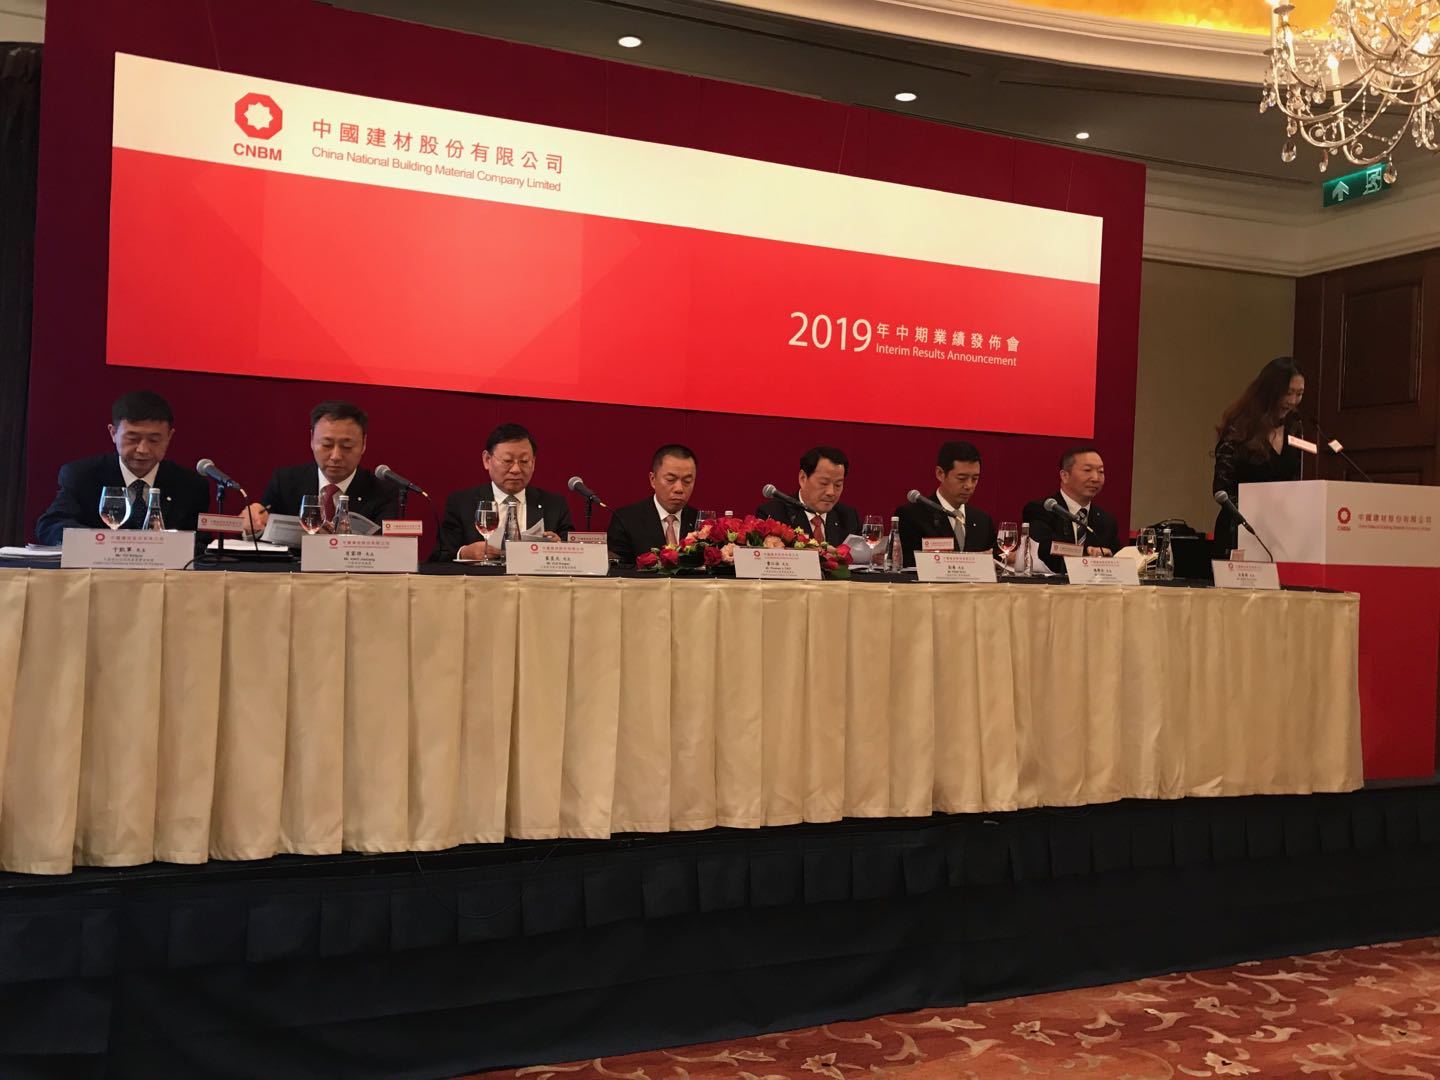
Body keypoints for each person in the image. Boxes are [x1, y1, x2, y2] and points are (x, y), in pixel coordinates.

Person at [35, 390, 211, 543]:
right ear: (113, 433)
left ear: (169, 437)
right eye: (132, 439)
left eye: (154, 440)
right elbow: (51, 525)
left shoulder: (190, 485)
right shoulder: (83, 475)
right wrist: (100, 542)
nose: (142, 449)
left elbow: (201, 541)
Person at [241, 400, 401, 536]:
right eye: (327, 445)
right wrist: (253, 524)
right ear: (312, 439)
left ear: (363, 444)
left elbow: (386, 548)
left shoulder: (383, 493)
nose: (336, 456)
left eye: (346, 446)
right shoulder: (285, 482)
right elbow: (261, 535)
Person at [434, 422, 573, 561]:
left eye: (524, 461)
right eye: (507, 461)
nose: (516, 469)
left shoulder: (554, 505)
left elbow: (575, 555)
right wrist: (464, 553)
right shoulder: (462, 503)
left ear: (533, 463)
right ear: (487, 460)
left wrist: (559, 547)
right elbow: (440, 555)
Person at [1212, 356, 1305, 556]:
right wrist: (1259, 511)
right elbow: (1221, 489)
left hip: (1282, 534)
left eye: (1299, 394)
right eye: (1288, 393)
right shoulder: (1239, 428)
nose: (1293, 401)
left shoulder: (1296, 428)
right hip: (1241, 531)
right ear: (1269, 391)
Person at [895, 440, 998, 566]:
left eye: (975, 479)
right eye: (962, 478)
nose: (969, 486)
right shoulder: (912, 516)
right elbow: (907, 565)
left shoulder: (983, 520)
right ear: (940, 474)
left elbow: (995, 561)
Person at [1023, 446, 1122, 573]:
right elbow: (1047, 550)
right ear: (1065, 476)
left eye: (1101, 471)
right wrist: (1087, 555)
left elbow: (1117, 557)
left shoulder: (1107, 521)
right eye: (1087, 470)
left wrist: (1110, 556)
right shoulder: (1041, 509)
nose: (1096, 478)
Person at [607, 445, 699, 565]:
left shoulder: (700, 522)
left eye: (687, 481)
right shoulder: (626, 520)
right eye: (670, 480)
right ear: (653, 479)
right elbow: (618, 570)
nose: (679, 489)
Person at [755, 446, 861, 546]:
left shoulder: (849, 518)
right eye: (824, 483)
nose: (831, 492)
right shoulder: (773, 515)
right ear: (803, 478)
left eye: (838, 485)